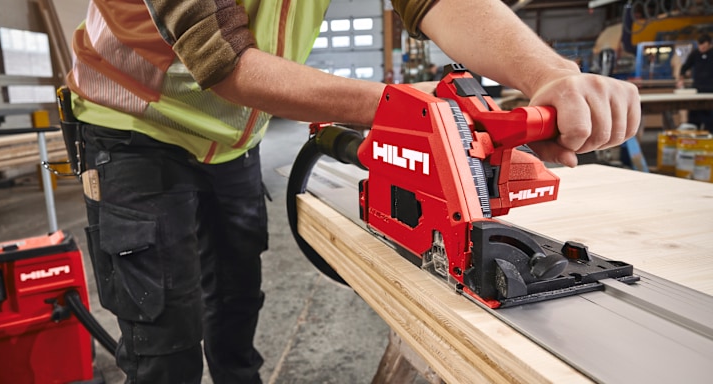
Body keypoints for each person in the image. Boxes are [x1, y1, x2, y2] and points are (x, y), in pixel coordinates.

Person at [66, 0, 640, 383]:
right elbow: (227, 62)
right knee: (165, 335)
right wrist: (409, 109)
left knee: (235, 303)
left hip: (232, 139)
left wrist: (548, 73)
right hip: (130, 130)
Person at [677, 33, 713, 130]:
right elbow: (685, 67)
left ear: (710, 44)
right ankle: (694, 135)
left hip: (711, 90)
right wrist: (681, 78)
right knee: (694, 114)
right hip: (698, 88)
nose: (702, 48)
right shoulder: (695, 54)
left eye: (704, 46)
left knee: (710, 117)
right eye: (700, 46)